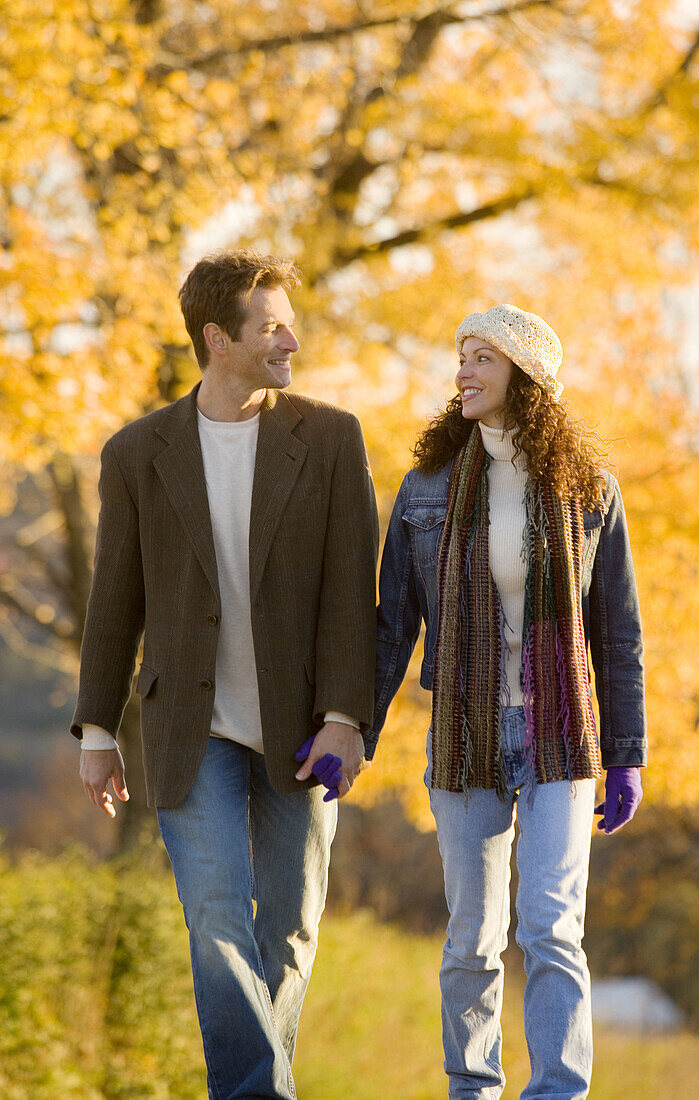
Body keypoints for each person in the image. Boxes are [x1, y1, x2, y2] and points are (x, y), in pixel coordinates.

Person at [72, 250, 378, 1099]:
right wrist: (99, 729)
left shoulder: (329, 436)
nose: (291, 337)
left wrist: (348, 716)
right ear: (218, 338)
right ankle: (257, 1092)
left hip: (304, 726)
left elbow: (354, 590)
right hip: (190, 730)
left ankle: (256, 1081)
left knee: (288, 929)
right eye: (272, 324)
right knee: (214, 921)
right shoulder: (138, 452)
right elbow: (114, 598)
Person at [366, 305, 646, 1099]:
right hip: (464, 729)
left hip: (562, 732)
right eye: (460, 356)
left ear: (524, 376)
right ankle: (471, 1087)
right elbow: (392, 627)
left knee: (553, 928)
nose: (462, 373)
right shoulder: (424, 491)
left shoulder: (590, 491)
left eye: (482, 358)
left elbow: (615, 633)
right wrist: (355, 727)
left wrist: (624, 755)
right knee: (470, 938)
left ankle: (557, 1090)